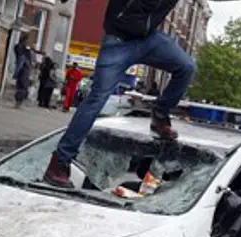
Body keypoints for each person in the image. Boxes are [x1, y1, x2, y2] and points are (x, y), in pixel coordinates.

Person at [42, 0, 197, 187]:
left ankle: (160, 114)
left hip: (148, 39)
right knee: (96, 99)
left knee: (186, 67)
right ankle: (59, 163)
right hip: (118, 42)